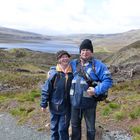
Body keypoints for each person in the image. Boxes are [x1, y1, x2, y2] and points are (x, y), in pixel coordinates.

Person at [70, 39, 113, 140]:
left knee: (90, 129)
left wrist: (96, 90)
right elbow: (61, 65)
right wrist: (52, 71)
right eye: (83, 50)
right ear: (80, 52)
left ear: (92, 52)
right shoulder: (73, 63)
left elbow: (108, 80)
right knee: (75, 126)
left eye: (88, 50)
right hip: (74, 103)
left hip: (89, 103)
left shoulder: (98, 65)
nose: (85, 52)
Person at [40, 50, 73, 140]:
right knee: (54, 128)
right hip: (54, 106)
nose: (65, 58)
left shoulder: (72, 73)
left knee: (62, 129)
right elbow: (46, 89)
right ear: (58, 59)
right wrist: (43, 104)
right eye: (62, 57)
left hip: (66, 107)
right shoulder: (53, 73)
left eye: (66, 56)